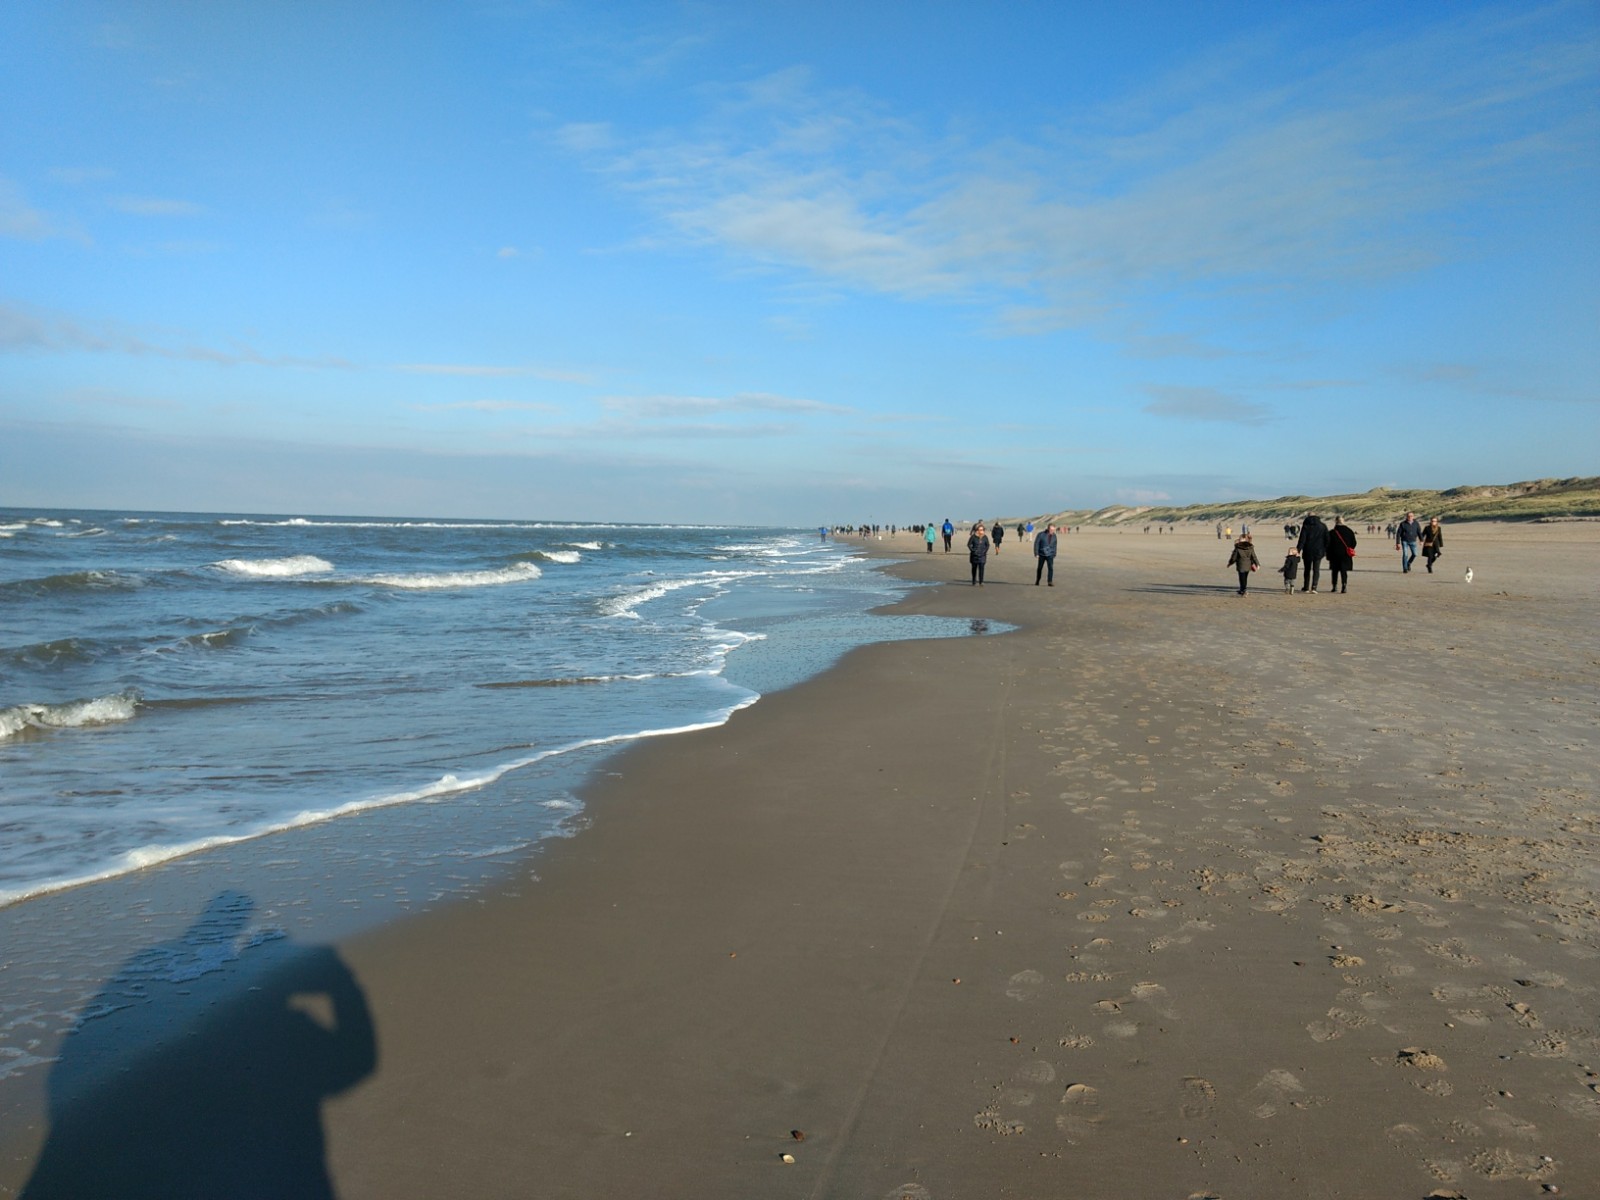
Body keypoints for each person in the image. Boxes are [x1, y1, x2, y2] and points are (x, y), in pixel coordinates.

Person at [1296, 512, 1329, 593]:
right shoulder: (1323, 526)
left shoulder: (1306, 526)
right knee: (1316, 569)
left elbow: (1302, 539)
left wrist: (1298, 550)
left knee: (1307, 569)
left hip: (1307, 550)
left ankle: (1306, 587)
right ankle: (1314, 587)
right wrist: (1325, 550)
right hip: (1319, 551)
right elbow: (1327, 539)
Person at [1325, 517, 1357, 593]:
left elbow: (1327, 544)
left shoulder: (1332, 532)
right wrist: (1349, 548)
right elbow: (1354, 543)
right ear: (1343, 522)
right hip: (1345, 555)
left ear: (1336, 522)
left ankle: (1334, 586)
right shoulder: (1349, 531)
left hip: (1334, 554)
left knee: (1334, 571)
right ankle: (1344, 585)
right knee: (1344, 571)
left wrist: (1328, 554)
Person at [967, 522, 990, 586]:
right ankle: (974, 581)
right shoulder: (973, 537)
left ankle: (981, 581)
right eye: (980, 530)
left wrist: (985, 551)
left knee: (981, 569)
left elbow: (987, 545)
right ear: (977, 530)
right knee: (974, 569)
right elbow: (969, 545)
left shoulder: (985, 537)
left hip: (982, 556)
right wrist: (973, 550)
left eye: (982, 530)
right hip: (974, 556)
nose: (981, 531)